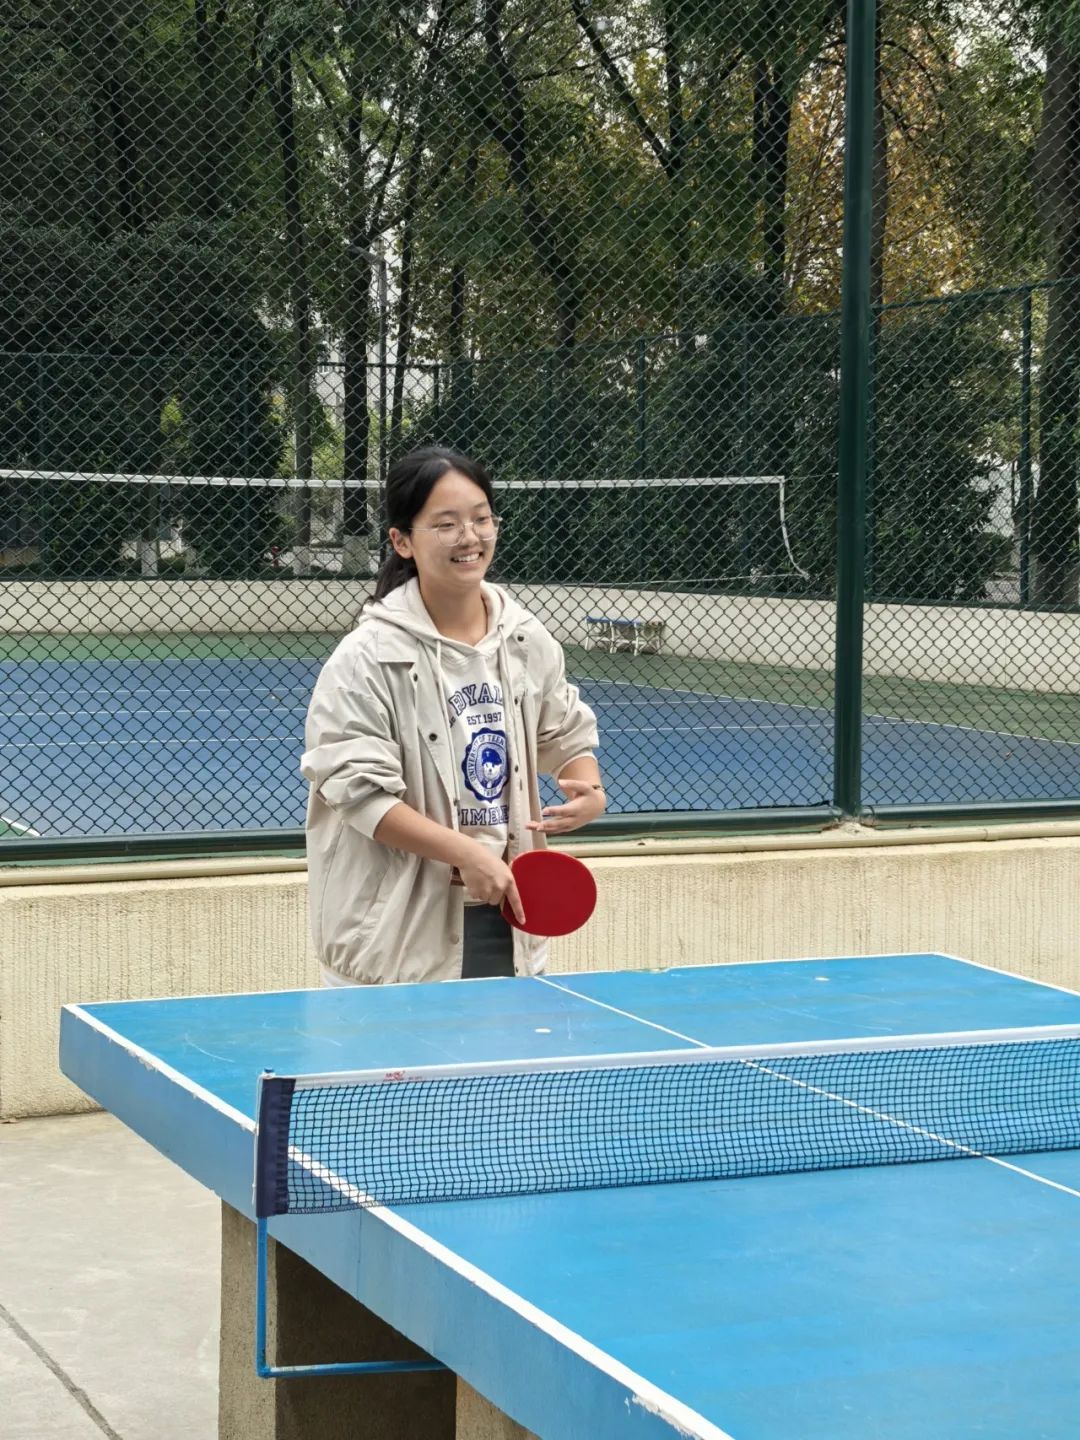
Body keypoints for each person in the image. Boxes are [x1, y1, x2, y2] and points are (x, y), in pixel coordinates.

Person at [301, 446, 605, 986]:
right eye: (446, 524)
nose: (470, 537)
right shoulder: (365, 658)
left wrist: (589, 789)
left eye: (481, 519)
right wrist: (464, 852)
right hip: (396, 933)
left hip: (509, 912)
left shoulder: (525, 639)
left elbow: (564, 730)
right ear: (402, 541)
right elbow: (359, 794)